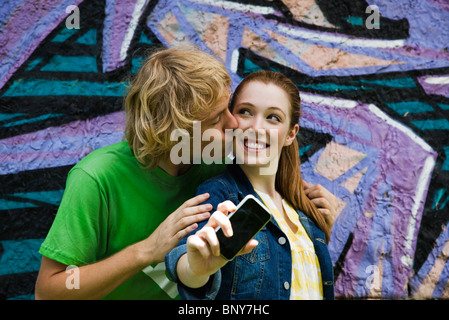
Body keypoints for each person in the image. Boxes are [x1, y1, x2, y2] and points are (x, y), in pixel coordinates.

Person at [35, 47, 336, 300]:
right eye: (219, 118)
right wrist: (145, 251)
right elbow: (47, 291)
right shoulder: (96, 178)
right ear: (178, 133)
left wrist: (306, 207)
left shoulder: (212, 164)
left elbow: (267, 172)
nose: (234, 124)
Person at [166, 70, 335, 300]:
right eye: (245, 112)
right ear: (230, 119)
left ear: (290, 134)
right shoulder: (220, 195)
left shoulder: (305, 211)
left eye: (273, 117)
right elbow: (188, 262)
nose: (256, 128)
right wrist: (195, 270)